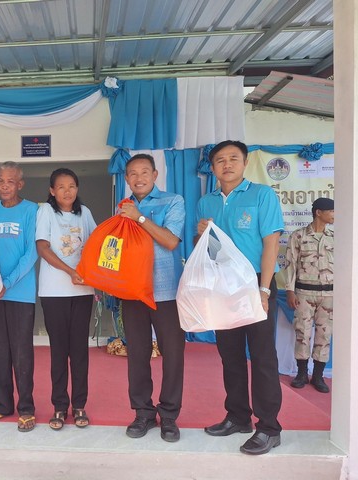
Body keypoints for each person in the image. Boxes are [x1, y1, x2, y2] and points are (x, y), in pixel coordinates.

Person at [196, 140, 284, 455]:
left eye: (234, 158)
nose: (227, 164)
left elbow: (271, 243)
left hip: (256, 285)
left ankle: (269, 428)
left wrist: (264, 289)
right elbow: (210, 251)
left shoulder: (262, 195)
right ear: (213, 167)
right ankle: (238, 417)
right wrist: (201, 234)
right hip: (223, 288)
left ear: (245, 163)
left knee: (262, 357)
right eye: (220, 160)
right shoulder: (206, 202)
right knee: (230, 356)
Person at [117, 154, 186, 443]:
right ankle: (143, 412)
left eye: (144, 172)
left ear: (155, 175)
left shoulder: (173, 201)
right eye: (133, 173)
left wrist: (140, 218)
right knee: (137, 354)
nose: (139, 178)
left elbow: (170, 241)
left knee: (173, 354)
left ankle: (169, 415)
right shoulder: (123, 207)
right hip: (133, 291)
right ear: (126, 178)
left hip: (166, 291)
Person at [0, 161, 39, 432]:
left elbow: (31, 252)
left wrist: (7, 283)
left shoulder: (31, 210)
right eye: (0, 181)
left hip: (21, 294)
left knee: (22, 353)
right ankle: (2, 404)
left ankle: (26, 408)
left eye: (10, 181)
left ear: (20, 184)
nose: (5, 186)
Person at [36, 168, 97, 430]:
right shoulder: (46, 212)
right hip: (54, 293)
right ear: (52, 191)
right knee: (59, 352)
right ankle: (60, 406)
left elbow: (96, 245)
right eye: (61, 187)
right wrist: (70, 271)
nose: (67, 191)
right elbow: (42, 247)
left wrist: (100, 278)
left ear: (77, 188)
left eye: (71, 186)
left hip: (83, 292)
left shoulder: (85, 214)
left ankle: (79, 405)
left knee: (80, 352)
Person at [284, 197, 334, 393]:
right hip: (304, 293)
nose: (334, 214)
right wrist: (290, 291)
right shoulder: (298, 236)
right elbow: (290, 264)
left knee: (324, 334)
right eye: (331, 211)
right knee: (302, 333)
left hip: (329, 294)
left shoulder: (335, 237)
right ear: (318, 213)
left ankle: (318, 376)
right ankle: (302, 373)